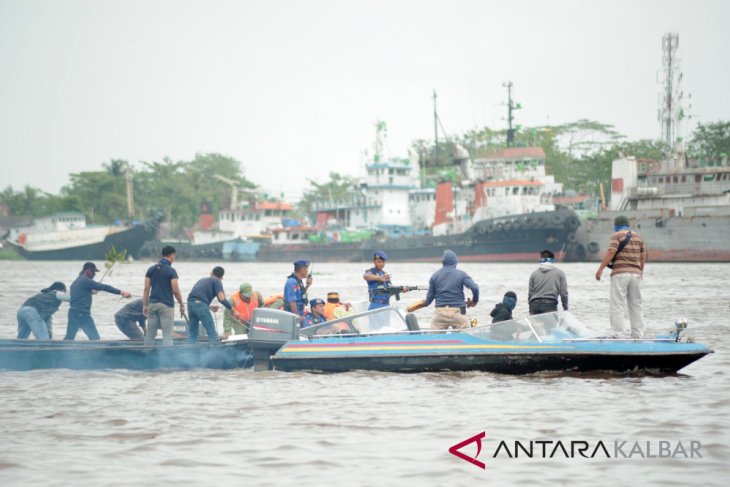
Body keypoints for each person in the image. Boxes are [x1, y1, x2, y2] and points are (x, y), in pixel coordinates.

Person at [595, 215, 647, 338]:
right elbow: (643, 257)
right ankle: (638, 335)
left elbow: (611, 251)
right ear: (628, 224)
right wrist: (641, 272)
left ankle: (618, 335)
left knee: (617, 304)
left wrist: (601, 268)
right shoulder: (639, 237)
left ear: (616, 225)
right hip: (636, 274)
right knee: (636, 305)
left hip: (620, 274)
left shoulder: (616, 235)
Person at [65, 262, 132, 340]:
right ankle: (95, 352)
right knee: (95, 338)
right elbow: (104, 287)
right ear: (88, 270)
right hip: (82, 314)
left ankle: (58, 350)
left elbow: (79, 294)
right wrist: (121, 292)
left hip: (72, 313)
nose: (94, 274)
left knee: (69, 338)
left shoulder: (76, 282)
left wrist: (90, 291)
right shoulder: (86, 280)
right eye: (93, 271)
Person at [424, 250, 479, 329]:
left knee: (434, 337)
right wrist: (474, 301)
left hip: (440, 313)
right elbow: (475, 288)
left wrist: (425, 303)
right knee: (466, 335)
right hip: (458, 313)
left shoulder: (434, 276)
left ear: (443, 262)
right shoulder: (462, 274)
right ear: (455, 262)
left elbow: (429, 299)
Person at [143, 245, 184, 346]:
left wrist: (145, 305)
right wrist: (181, 303)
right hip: (166, 306)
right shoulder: (171, 271)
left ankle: (146, 356)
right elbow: (175, 290)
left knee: (150, 335)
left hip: (152, 305)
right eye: (175, 255)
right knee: (167, 335)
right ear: (172, 255)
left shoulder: (151, 269)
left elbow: (146, 289)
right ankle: (167, 358)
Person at [187, 266, 240, 343]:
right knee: (212, 333)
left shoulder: (202, 280)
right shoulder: (217, 281)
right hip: (200, 305)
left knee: (193, 334)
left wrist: (209, 307)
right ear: (222, 277)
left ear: (211, 273)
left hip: (190, 304)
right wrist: (234, 310)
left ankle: (189, 352)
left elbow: (196, 298)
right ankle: (214, 352)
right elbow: (221, 299)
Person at [528, 250, 569, 315]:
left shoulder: (534, 274)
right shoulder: (560, 273)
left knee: (536, 325)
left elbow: (530, 294)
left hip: (534, 304)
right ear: (552, 260)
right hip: (550, 303)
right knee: (551, 324)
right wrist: (565, 308)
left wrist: (530, 309)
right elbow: (564, 293)